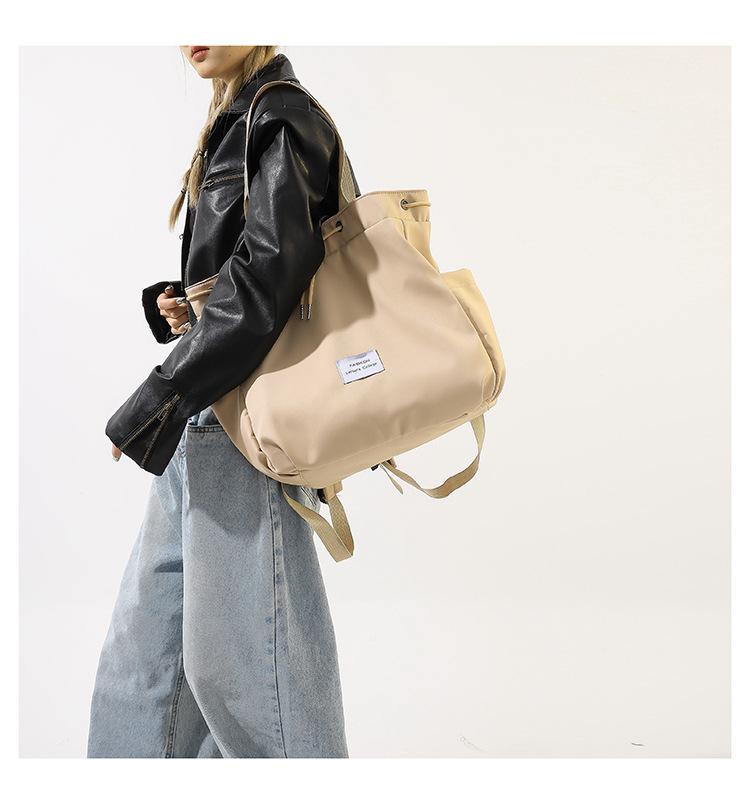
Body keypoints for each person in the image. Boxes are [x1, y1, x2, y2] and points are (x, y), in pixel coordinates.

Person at [87, 46, 356, 759]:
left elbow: (270, 280)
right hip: (206, 412)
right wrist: (190, 302)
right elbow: (251, 274)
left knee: (255, 684)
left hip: (244, 425)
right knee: (142, 667)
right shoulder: (238, 119)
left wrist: (159, 395)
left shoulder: (283, 116)